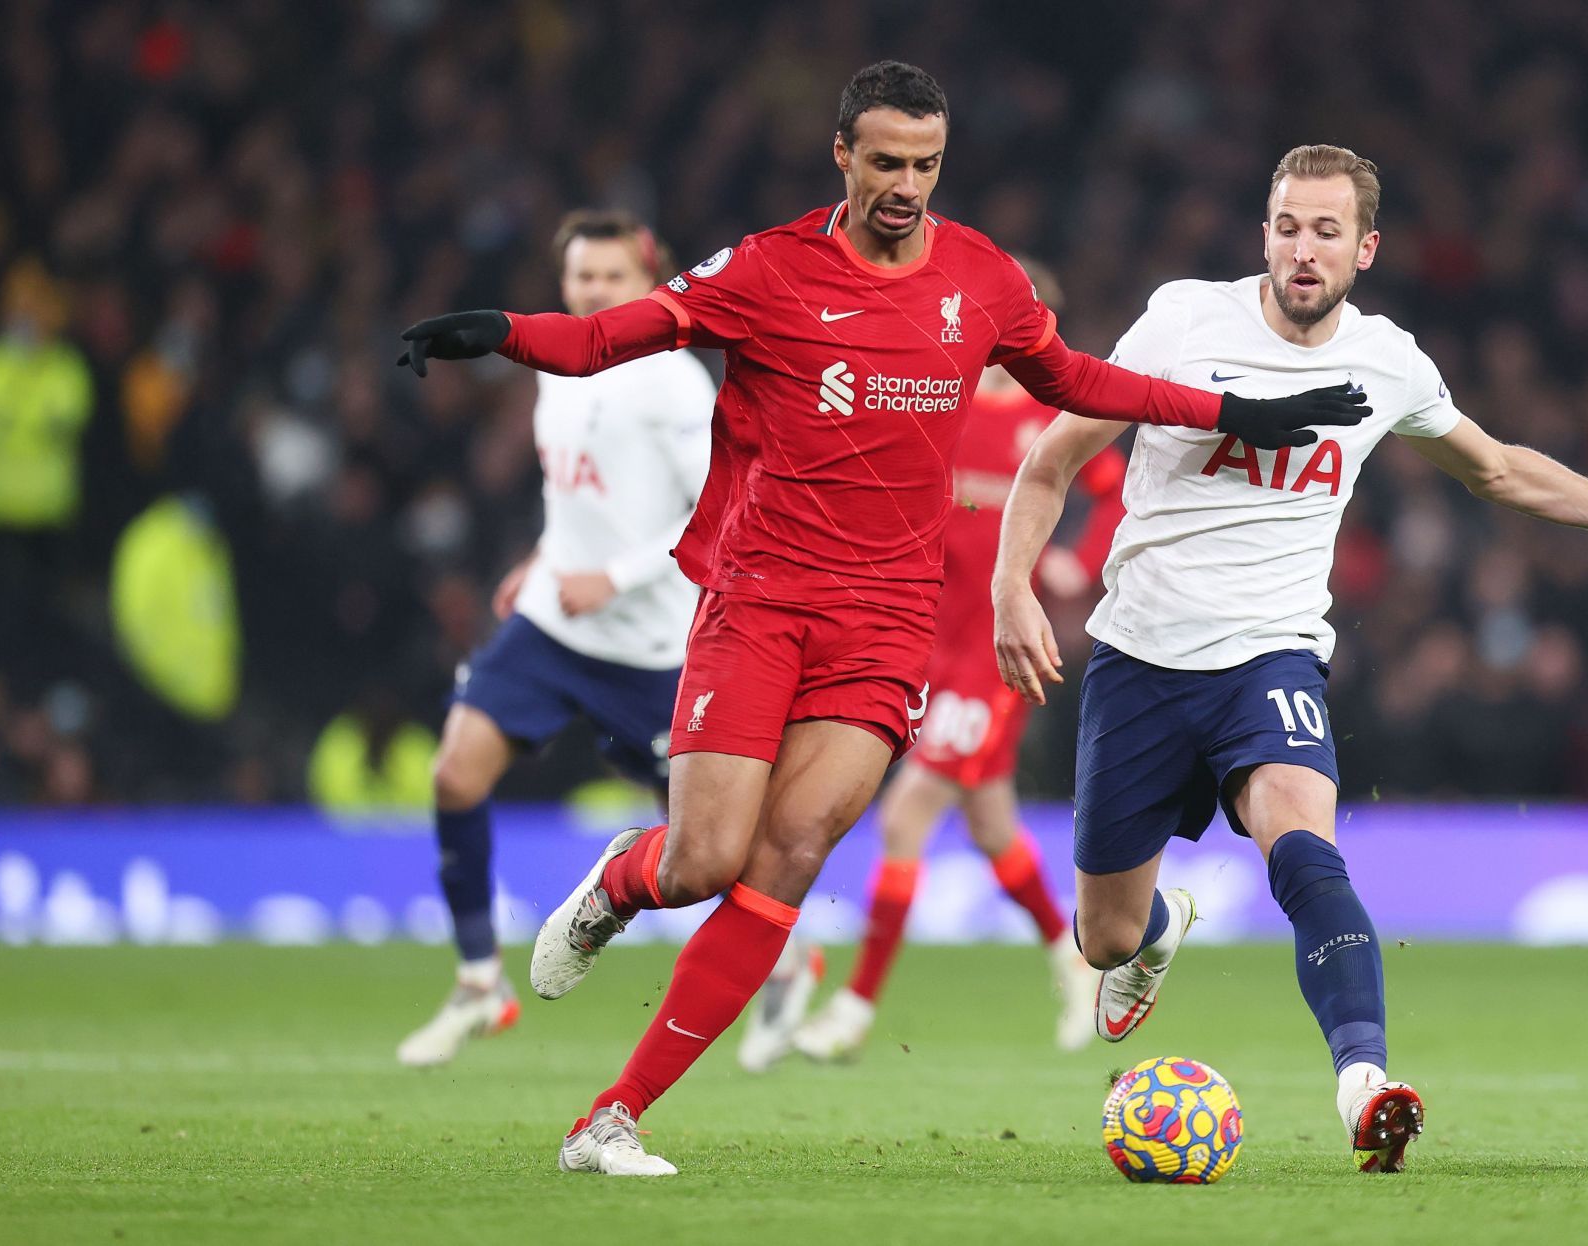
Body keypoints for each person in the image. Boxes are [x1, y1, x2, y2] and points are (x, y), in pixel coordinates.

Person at [396, 62, 1370, 1177]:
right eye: (887, 161)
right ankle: (631, 875)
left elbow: (1079, 380)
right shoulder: (766, 270)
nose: (907, 183)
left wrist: (1239, 409)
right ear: (844, 156)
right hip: (759, 601)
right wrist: (502, 332)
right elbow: (618, 333)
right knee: (704, 859)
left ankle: (610, 1117)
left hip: (887, 625)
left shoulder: (979, 277)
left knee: (793, 853)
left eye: (927, 163)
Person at [991, 144, 1588, 1174]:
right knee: (1101, 934)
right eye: (1286, 227)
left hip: (1271, 658)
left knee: (1305, 845)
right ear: (1261, 233)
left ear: (1365, 247)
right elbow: (1052, 461)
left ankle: (1365, 1084)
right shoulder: (1182, 322)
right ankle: (1153, 933)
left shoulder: (1387, 359)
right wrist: (1011, 585)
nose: (1303, 250)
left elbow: (1495, 469)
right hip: (1139, 660)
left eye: (1325, 231)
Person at [741, 261, 1121, 1069]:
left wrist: (1077, 562)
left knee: (906, 815)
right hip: (920, 634)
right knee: (989, 825)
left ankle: (853, 1006)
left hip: (996, 649)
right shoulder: (934, 401)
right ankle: (1075, 961)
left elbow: (1117, 491)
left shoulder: (1051, 416)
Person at [395, 211, 715, 1067]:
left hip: (650, 646)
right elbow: (579, 493)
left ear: (648, 282)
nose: (594, 292)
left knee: (706, 849)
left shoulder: (677, 385)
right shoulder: (560, 366)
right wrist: (543, 558)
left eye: (611, 278)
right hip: (552, 622)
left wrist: (615, 576)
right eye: (581, 279)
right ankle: (475, 984)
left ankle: (791, 970)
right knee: (455, 770)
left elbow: (713, 509)